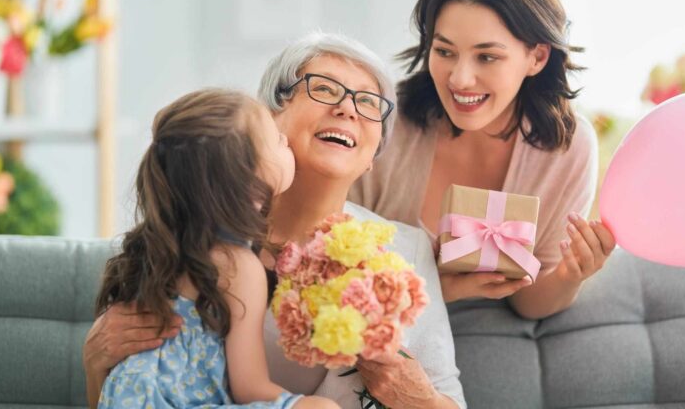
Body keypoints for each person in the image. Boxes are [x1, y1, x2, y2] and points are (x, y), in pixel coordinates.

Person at [83, 33, 466, 409]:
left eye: (368, 102)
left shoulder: (409, 250)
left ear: (372, 156)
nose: (348, 109)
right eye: (326, 89)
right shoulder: (187, 239)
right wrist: (94, 364)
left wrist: (421, 400)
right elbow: (132, 390)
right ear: (268, 120)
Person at [348, 0, 617, 319]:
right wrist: (438, 288)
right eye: (444, 51)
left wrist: (570, 274)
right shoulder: (383, 122)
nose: (459, 79)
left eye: (486, 57)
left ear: (537, 57)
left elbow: (529, 302)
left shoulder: (566, 147)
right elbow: (328, 264)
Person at [92, 89, 338, 408]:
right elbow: (249, 387)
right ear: (246, 176)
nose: (286, 142)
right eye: (276, 140)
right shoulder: (236, 264)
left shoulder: (158, 248)